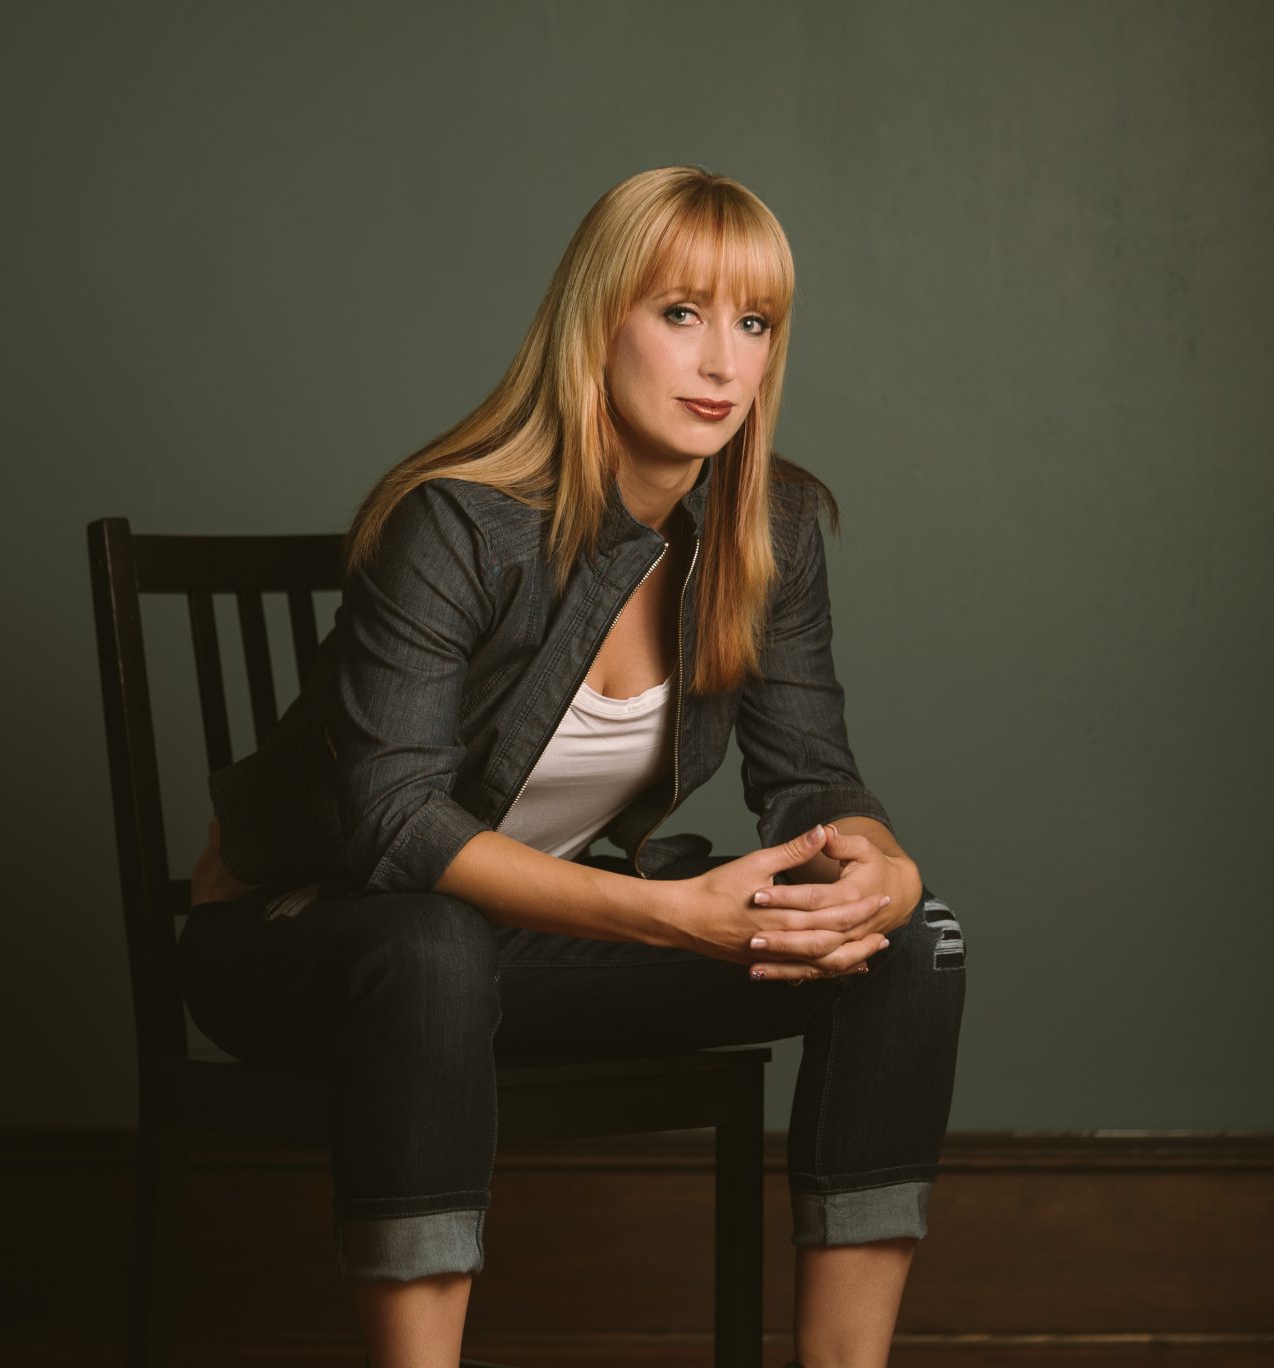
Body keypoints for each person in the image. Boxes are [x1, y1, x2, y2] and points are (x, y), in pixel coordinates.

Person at [178, 164, 966, 1368]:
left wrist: (886, 872)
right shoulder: (455, 524)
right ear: (597, 322)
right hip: (299, 938)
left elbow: (809, 779)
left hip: (524, 938)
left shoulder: (773, 527)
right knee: (428, 942)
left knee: (909, 948)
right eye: (679, 313)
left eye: (751, 324)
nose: (720, 363)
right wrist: (662, 916)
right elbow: (392, 824)